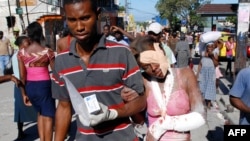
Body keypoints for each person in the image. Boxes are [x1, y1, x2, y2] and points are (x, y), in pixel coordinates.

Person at [51, 0, 146, 141]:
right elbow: (64, 107)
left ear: (98, 14)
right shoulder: (61, 61)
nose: (79, 27)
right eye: (72, 20)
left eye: (85, 18)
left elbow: (141, 101)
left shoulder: (121, 53)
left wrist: (113, 113)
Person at [130, 35, 205, 141]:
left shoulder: (185, 74)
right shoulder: (143, 82)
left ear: (162, 52)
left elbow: (200, 116)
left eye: (154, 59)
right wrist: (130, 102)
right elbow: (140, 122)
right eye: (146, 66)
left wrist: (163, 125)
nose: (153, 68)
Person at [17, 22, 56, 141]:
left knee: (40, 113)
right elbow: (55, 72)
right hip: (44, 87)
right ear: (41, 34)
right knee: (48, 116)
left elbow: (22, 77)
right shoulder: (47, 52)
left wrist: (23, 94)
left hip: (30, 87)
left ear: (28, 34)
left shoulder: (21, 53)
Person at [13, 36, 37, 140]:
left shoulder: (16, 55)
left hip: (19, 84)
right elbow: (23, 74)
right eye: (27, 44)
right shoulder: (20, 55)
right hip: (23, 83)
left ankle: (20, 132)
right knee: (28, 108)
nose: (29, 45)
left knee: (20, 110)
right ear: (21, 45)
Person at [197, 42, 218, 109]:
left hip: (211, 73)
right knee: (202, 86)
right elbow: (200, 64)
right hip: (203, 73)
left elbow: (216, 64)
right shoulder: (203, 54)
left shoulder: (215, 54)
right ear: (206, 48)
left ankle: (208, 103)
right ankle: (203, 102)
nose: (210, 48)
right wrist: (197, 74)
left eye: (211, 47)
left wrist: (212, 56)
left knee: (210, 87)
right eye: (209, 47)